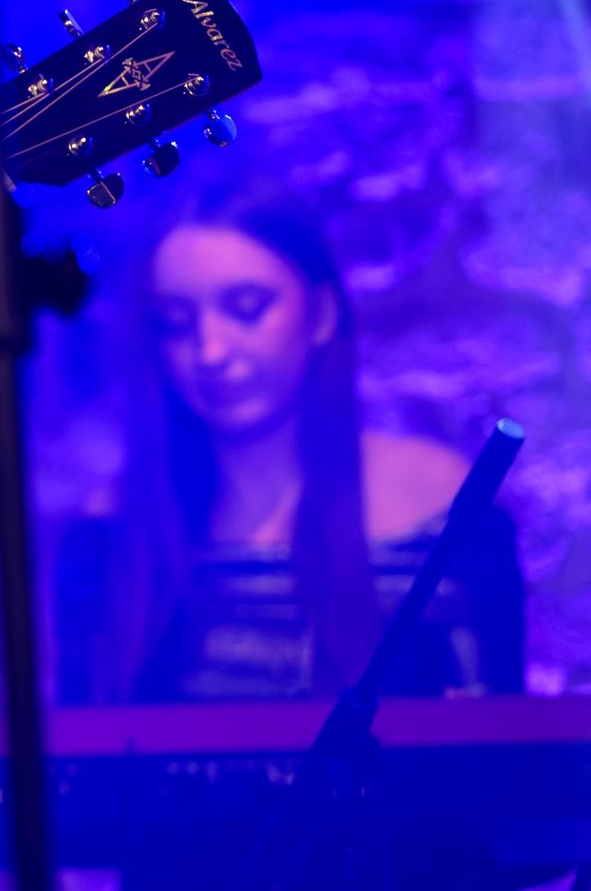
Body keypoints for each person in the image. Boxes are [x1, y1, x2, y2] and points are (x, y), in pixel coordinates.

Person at [55, 190, 524, 708]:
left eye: (246, 308)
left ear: (321, 313)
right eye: (177, 323)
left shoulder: (439, 499)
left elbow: (498, 720)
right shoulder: (110, 527)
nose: (211, 350)